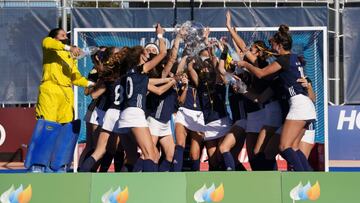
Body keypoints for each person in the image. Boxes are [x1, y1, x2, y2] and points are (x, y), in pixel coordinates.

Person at [238, 25, 317, 171]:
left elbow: (261, 73)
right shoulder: (292, 58)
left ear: (280, 45)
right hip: (305, 106)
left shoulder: (284, 59)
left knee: (284, 146)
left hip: (299, 105)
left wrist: (245, 64)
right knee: (292, 147)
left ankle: (305, 178)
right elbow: (267, 79)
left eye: (273, 44)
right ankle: (309, 178)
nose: (271, 46)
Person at [25, 28, 94, 172]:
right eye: (62, 35)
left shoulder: (70, 56)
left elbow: (75, 77)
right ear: (55, 37)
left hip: (66, 94)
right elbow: (50, 43)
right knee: (47, 128)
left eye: (66, 35)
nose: (65, 37)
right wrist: (70, 47)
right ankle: (38, 165)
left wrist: (90, 84)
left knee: (65, 129)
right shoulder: (49, 45)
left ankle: (59, 165)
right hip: (50, 91)